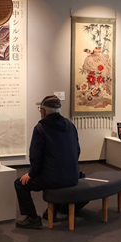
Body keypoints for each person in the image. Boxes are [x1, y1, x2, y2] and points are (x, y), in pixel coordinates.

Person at [14, 94, 81, 229]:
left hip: (53, 179)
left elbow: (35, 157)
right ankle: (52, 212)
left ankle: (32, 218)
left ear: (43, 111)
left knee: (20, 184)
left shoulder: (40, 128)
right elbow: (78, 150)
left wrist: (31, 174)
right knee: (54, 173)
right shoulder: (70, 125)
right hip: (73, 176)